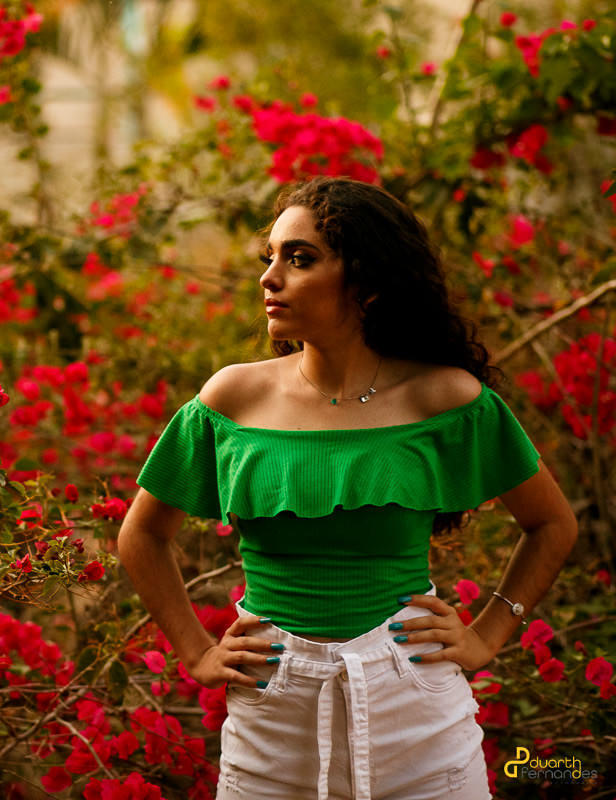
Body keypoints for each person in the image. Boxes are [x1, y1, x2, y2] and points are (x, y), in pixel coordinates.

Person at [117, 177, 577, 800]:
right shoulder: (233, 398)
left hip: (416, 710)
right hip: (271, 716)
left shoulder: (446, 400)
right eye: (270, 257)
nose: (269, 277)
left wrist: (489, 632)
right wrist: (195, 652)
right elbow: (142, 534)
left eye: (299, 258)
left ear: (368, 281)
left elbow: (552, 524)